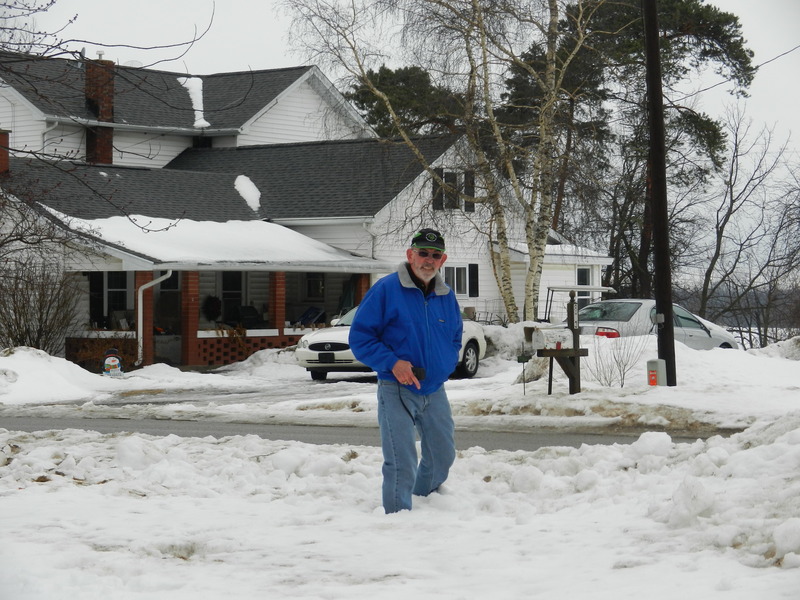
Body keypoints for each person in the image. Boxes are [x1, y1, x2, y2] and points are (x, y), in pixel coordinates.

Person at [349, 228, 463, 513]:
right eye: (422, 253)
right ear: (410, 254)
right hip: (396, 386)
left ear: (443, 259)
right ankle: (398, 517)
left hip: (434, 388)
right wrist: (392, 362)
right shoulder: (386, 290)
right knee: (401, 459)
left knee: (442, 455)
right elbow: (360, 338)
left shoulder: (445, 295)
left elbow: (455, 337)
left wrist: (445, 365)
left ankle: (424, 498)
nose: (428, 260)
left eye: (435, 255)